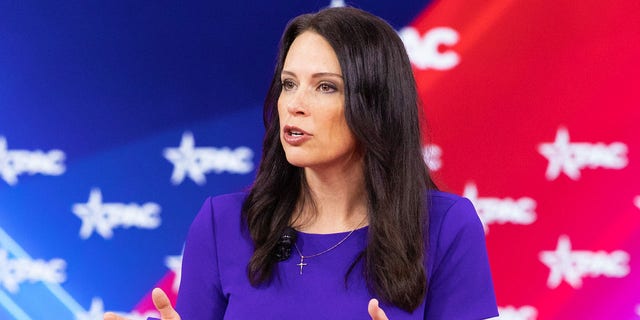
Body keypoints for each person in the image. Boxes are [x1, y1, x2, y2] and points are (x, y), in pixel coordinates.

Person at [105, 6, 498, 320]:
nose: (295, 104)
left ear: (376, 106)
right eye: (289, 83)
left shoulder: (446, 227)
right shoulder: (221, 223)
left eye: (325, 87)